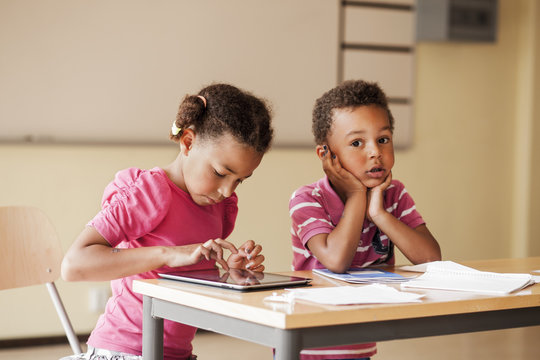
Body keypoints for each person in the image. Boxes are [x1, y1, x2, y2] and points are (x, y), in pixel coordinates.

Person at [61, 83, 274, 360]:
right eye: (221, 173)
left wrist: (230, 274)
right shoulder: (149, 192)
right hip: (124, 351)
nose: (227, 190)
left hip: (177, 354)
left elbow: (187, 282)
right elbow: (74, 265)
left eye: (240, 180)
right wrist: (168, 254)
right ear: (188, 141)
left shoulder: (220, 206)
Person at [288, 80, 441, 360]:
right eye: (357, 143)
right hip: (307, 346)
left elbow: (430, 259)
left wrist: (379, 214)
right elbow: (336, 261)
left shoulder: (393, 196)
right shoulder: (308, 199)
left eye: (383, 139)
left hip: (360, 344)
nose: (375, 152)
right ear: (326, 155)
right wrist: (358, 195)